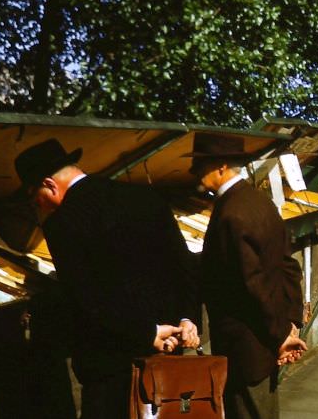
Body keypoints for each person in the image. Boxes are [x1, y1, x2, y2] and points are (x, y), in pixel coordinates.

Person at [14, 138, 200, 419]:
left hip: (111, 365)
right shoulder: (145, 197)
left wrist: (148, 333)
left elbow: (88, 298)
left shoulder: (62, 223)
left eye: (34, 197)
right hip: (170, 348)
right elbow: (183, 264)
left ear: (49, 184)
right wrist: (187, 318)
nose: (37, 205)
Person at [187, 134, 307, 419]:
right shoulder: (258, 201)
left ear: (221, 166)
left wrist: (281, 334)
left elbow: (253, 283)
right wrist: (291, 323)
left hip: (247, 344)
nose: (194, 172)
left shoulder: (231, 213)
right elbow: (288, 266)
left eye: (201, 165)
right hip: (262, 341)